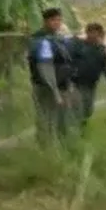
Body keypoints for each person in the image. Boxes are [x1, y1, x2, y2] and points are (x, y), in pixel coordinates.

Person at [28, 8, 76, 144]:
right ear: (46, 21)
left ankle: (58, 145)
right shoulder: (40, 39)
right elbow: (45, 67)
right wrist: (55, 92)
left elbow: (68, 59)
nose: (58, 23)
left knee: (60, 119)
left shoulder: (58, 38)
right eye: (54, 20)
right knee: (45, 119)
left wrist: (68, 82)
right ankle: (45, 147)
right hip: (46, 86)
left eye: (59, 20)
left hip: (62, 85)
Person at [71, 22, 106, 129]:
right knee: (78, 109)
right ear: (87, 33)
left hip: (91, 85)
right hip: (76, 84)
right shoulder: (78, 45)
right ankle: (75, 132)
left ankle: (81, 128)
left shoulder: (102, 50)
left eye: (98, 34)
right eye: (92, 33)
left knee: (88, 110)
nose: (95, 37)